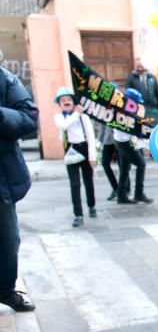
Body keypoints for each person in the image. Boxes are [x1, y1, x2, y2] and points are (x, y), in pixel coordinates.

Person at [0, 62, 38, 312]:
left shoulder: (6, 78)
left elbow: (29, 118)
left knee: (7, 240)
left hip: (1, 178)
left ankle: (5, 290)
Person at [52, 87, 97, 227]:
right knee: (74, 184)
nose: (66, 102)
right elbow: (64, 126)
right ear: (59, 104)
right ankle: (78, 214)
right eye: (63, 100)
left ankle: (91, 205)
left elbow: (90, 137)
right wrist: (76, 114)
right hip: (70, 150)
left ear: (73, 101)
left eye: (68, 99)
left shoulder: (84, 118)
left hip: (83, 148)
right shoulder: (59, 117)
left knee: (88, 181)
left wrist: (92, 156)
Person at [113, 88, 152, 205]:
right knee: (141, 164)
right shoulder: (123, 111)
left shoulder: (123, 109)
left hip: (122, 140)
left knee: (125, 169)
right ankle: (138, 193)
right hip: (125, 141)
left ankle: (122, 195)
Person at [96, 122, 119, 201]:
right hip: (108, 140)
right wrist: (99, 141)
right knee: (105, 164)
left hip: (120, 139)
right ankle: (115, 187)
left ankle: (125, 189)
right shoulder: (106, 109)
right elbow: (102, 125)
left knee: (123, 165)